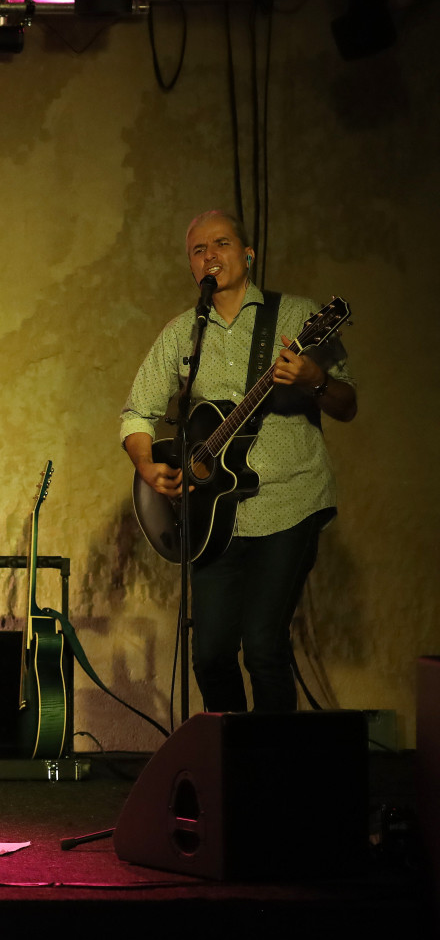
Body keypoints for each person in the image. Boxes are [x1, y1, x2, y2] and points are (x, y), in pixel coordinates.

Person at [121, 209, 356, 712]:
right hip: (212, 519)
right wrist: (145, 464)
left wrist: (314, 379)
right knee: (209, 656)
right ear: (192, 266)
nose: (210, 255)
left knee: (265, 647)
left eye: (222, 244)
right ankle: (231, 753)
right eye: (199, 250)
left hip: (289, 502)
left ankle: (274, 759)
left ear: (247, 256)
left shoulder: (297, 316)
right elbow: (138, 412)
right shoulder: (182, 333)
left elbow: (347, 403)